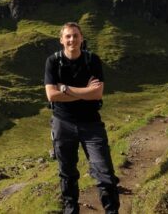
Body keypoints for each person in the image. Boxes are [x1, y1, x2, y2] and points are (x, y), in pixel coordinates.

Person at [44, 22, 119, 214]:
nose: (72, 40)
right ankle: (71, 211)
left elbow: (97, 94)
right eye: (68, 36)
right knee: (67, 174)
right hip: (63, 124)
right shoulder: (53, 62)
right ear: (61, 40)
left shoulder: (92, 60)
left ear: (81, 38)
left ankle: (112, 211)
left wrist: (66, 89)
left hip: (91, 124)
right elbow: (51, 96)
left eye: (75, 36)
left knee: (104, 173)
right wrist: (85, 91)